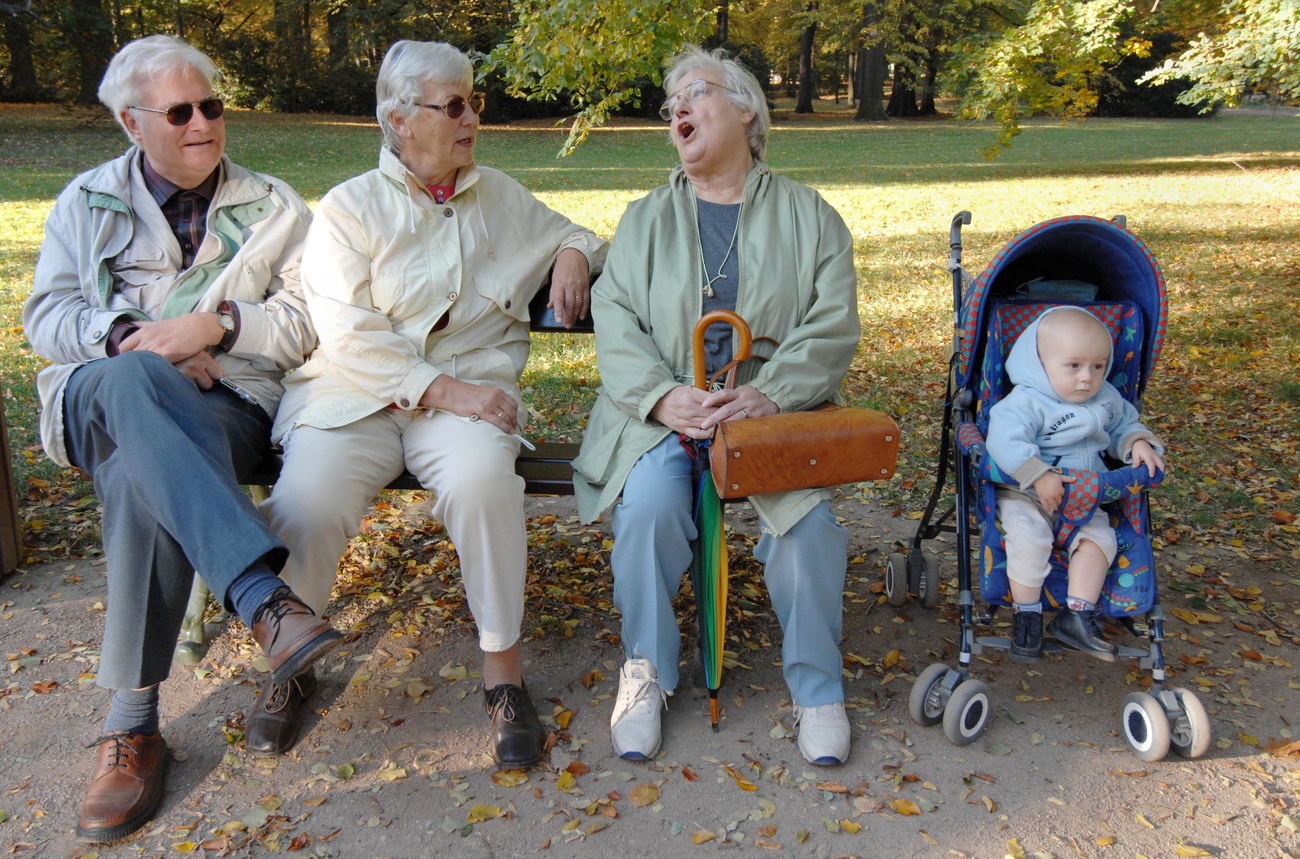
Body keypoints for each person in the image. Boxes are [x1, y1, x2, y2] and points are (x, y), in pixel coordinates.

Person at [22, 35, 339, 844]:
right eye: (180, 112)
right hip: (97, 396)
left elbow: (306, 321)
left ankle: (132, 726)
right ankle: (261, 597)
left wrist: (219, 325)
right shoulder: (83, 203)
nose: (203, 123)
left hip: (224, 406)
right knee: (135, 385)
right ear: (133, 123)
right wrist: (134, 336)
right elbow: (47, 318)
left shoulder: (273, 205)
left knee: (140, 467)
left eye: (212, 106)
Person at [259, 40, 607, 768]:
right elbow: (347, 336)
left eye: (472, 101)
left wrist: (572, 254)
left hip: (464, 410)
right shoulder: (350, 209)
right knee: (308, 497)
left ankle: (503, 676)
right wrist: (452, 391)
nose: (471, 117)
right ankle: (289, 664)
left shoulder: (499, 197)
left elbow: (574, 233)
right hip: (356, 397)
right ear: (399, 119)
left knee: (485, 483)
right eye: (454, 105)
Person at [572, 46, 861, 766]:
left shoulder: (810, 216)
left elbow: (831, 325)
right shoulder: (645, 220)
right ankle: (644, 670)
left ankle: (818, 688)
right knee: (648, 509)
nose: (678, 108)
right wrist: (664, 396)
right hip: (663, 417)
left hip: (770, 418)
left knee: (807, 523)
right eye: (671, 100)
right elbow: (613, 313)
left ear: (746, 111)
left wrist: (770, 394)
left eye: (695, 93)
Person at [985, 306, 1166, 663]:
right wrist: (1038, 474)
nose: (1087, 378)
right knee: (1028, 540)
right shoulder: (1024, 402)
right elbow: (1004, 441)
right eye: (1073, 366)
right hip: (1028, 496)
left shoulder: (1107, 399)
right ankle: (1027, 614)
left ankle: (1076, 616)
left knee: (1101, 542)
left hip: (1087, 499)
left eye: (1098, 366)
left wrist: (1137, 442)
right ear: (1040, 363)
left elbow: (1123, 426)